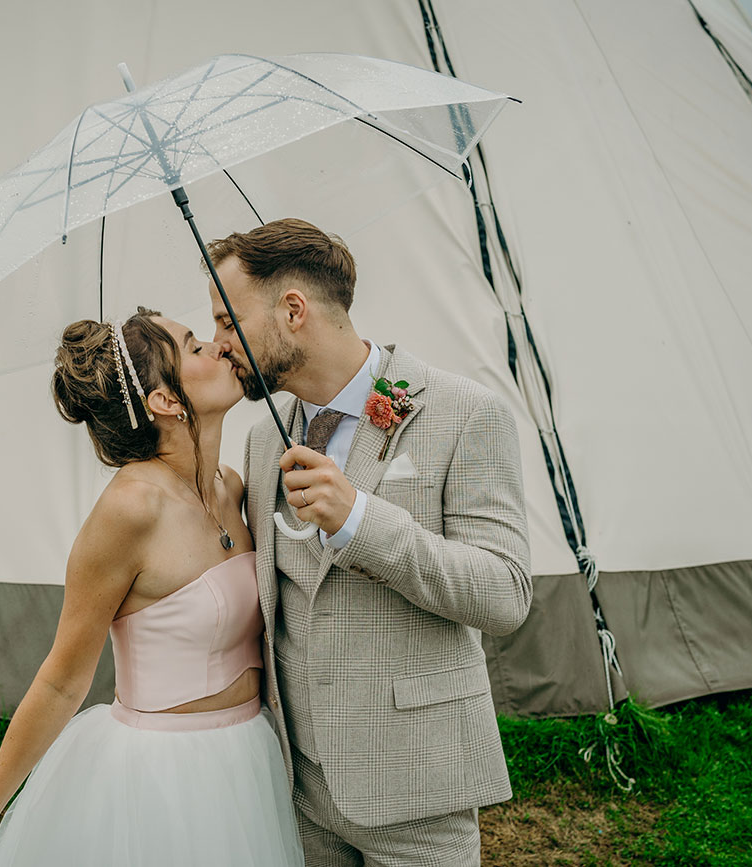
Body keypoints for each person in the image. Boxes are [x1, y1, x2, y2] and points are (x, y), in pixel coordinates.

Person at [0, 309, 304, 867]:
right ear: (165, 402)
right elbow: (60, 682)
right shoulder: (130, 511)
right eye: (196, 347)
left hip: (249, 756)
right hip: (161, 778)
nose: (220, 349)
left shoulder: (232, 488)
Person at [205, 219, 533, 866]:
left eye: (226, 321)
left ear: (292, 310)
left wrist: (362, 519)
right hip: (302, 789)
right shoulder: (264, 438)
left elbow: (505, 594)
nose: (217, 346)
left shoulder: (463, 413)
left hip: (416, 790)